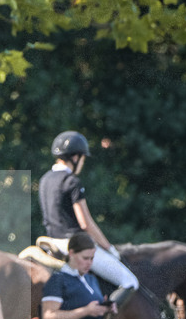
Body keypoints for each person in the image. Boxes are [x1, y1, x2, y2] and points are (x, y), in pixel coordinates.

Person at [38, 131, 138, 308]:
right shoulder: (71, 181)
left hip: (49, 242)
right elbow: (85, 223)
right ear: (75, 157)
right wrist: (109, 248)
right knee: (130, 281)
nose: (82, 163)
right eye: (83, 159)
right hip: (74, 244)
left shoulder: (45, 179)